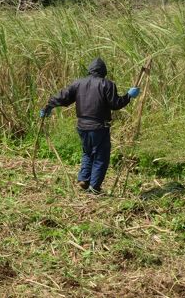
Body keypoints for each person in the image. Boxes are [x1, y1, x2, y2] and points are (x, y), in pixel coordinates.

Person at [40, 57, 140, 195]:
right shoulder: (107, 84)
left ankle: (84, 179)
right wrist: (128, 96)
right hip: (99, 127)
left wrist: (48, 106)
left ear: (90, 70)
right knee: (101, 157)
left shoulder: (78, 83)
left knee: (87, 153)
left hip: (82, 126)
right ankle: (94, 187)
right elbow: (115, 104)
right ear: (104, 71)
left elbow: (63, 96)